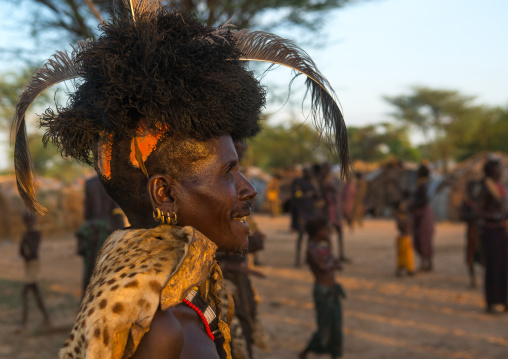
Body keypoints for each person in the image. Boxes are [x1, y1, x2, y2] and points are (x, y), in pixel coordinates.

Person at [12, 1, 349, 358]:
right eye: (228, 172)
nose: (248, 189)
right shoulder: (163, 331)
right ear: (165, 194)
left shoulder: (188, 298)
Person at [299, 216, 345, 359]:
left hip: (332, 289)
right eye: (326, 230)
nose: (328, 233)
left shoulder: (322, 248)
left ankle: (335, 354)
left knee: (336, 325)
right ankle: (307, 350)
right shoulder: (311, 249)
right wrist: (332, 264)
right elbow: (324, 266)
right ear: (318, 232)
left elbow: (333, 263)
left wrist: (331, 263)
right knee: (324, 327)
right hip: (323, 292)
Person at [76, 175, 125, 292]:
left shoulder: (90, 183)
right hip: (110, 231)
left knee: (90, 268)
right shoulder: (113, 183)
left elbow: (87, 213)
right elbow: (117, 212)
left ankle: (87, 300)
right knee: (109, 269)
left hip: (92, 231)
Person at [477, 160, 507, 313]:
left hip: (502, 231)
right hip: (491, 232)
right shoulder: (485, 188)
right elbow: (479, 211)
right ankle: (491, 303)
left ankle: (504, 301)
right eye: (498, 169)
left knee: (504, 267)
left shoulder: (499, 187)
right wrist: (497, 216)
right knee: (493, 267)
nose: (501, 172)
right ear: (491, 171)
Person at [19, 211, 50, 331]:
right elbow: (21, 251)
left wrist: (26, 239)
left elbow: (33, 251)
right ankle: (46, 318)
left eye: (28, 220)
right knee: (35, 293)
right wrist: (25, 240)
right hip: (29, 265)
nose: (28, 222)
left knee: (25, 293)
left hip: (34, 265)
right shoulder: (28, 234)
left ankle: (24, 322)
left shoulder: (36, 233)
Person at [291, 167, 320, 266]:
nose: (309, 174)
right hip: (301, 212)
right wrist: (309, 194)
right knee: (301, 235)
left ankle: (309, 258)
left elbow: (318, 195)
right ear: (304, 173)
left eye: (311, 172)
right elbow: (298, 196)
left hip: (311, 212)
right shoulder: (298, 182)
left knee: (310, 236)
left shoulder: (312, 183)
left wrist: (314, 190)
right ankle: (297, 260)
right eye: (307, 172)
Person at [320, 162, 348, 262]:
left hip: (336, 209)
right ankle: (330, 254)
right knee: (328, 233)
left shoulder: (335, 180)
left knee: (340, 232)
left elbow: (340, 191)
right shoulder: (321, 181)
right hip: (327, 210)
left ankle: (341, 255)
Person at [411, 164, 435, 272]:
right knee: (420, 237)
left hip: (423, 212)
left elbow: (424, 199)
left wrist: (412, 205)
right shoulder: (421, 183)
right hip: (419, 212)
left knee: (424, 238)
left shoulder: (425, 184)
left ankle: (426, 263)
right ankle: (426, 262)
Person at [460, 180, 482, 288]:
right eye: (470, 189)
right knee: (471, 256)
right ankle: (473, 280)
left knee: (483, 257)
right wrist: (475, 215)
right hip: (471, 232)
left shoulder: (481, 200)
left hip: (481, 232)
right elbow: (463, 216)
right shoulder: (466, 202)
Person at [395, 191, 414, 277]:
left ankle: (407, 269)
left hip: (405, 236)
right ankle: (403, 269)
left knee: (405, 254)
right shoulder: (402, 216)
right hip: (404, 236)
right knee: (403, 254)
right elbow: (401, 226)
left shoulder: (404, 215)